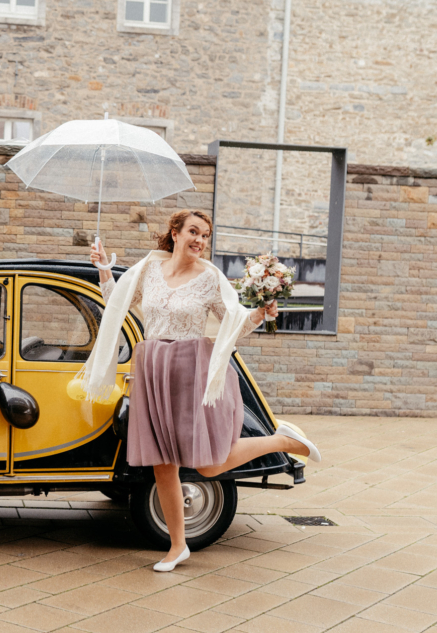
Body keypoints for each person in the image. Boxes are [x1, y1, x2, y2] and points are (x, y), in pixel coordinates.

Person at [87, 209, 320, 572]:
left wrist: (257, 315)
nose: (200, 240)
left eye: (206, 235)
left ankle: (282, 442)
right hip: (152, 366)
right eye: (193, 232)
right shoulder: (149, 269)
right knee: (163, 465)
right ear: (175, 233)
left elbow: (233, 323)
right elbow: (117, 302)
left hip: (191, 369)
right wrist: (104, 267)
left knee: (208, 464)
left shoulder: (210, 277)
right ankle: (177, 547)